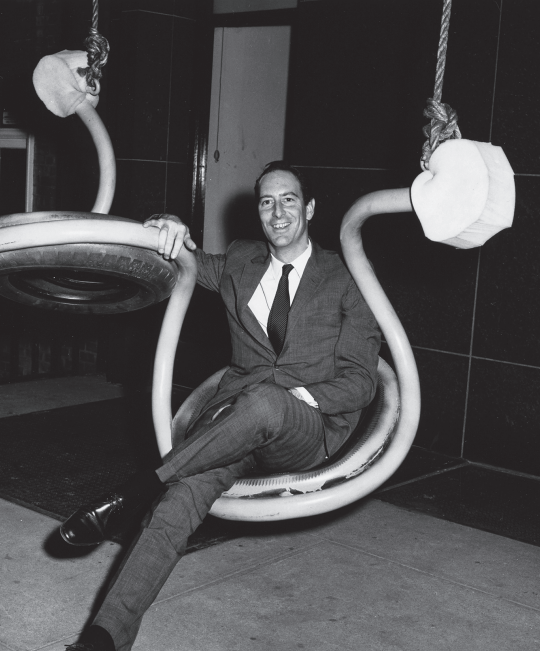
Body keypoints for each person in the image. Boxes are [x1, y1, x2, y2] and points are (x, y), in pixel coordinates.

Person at [62, 161, 381, 651]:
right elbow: (184, 259)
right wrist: (167, 222)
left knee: (267, 403)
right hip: (232, 427)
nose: (277, 212)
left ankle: (133, 491)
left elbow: (363, 381)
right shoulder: (240, 260)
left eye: (289, 199)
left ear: (311, 208)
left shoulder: (346, 277)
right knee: (176, 506)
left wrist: (308, 396)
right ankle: (103, 638)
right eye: (267, 201)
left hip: (305, 427)